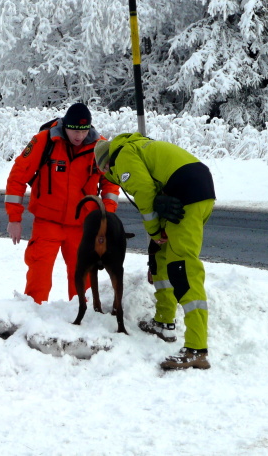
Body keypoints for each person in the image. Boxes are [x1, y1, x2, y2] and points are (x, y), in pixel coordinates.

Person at [94, 133, 215, 370]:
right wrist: (158, 236)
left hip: (186, 194)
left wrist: (154, 230)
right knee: (161, 257)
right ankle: (164, 322)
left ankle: (196, 348)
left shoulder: (122, 156)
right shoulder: (138, 147)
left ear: (106, 164)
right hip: (194, 186)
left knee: (182, 266)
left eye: (106, 169)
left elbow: (144, 192)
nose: (109, 173)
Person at [5, 103, 120, 304]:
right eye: (75, 130)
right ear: (65, 125)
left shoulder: (100, 147)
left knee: (83, 279)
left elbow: (111, 184)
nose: (79, 136)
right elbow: (17, 176)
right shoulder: (44, 141)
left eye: (84, 131)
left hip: (83, 226)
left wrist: (107, 216)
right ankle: (33, 317)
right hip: (47, 222)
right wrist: (14, 219)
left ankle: (82, 318)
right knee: (39, 275)